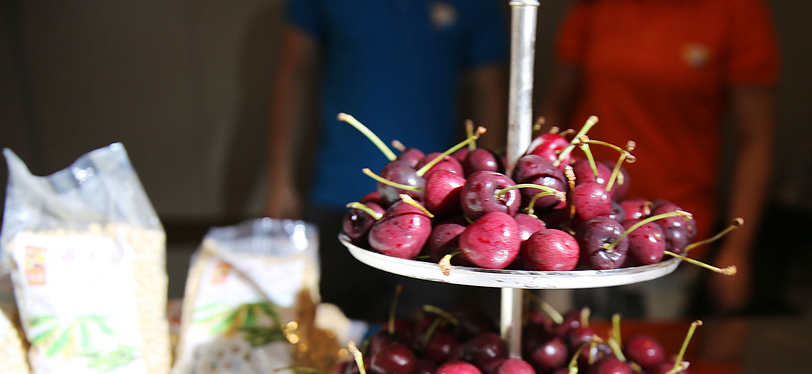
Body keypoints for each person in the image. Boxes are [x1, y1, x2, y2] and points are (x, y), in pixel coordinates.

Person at [264, 0, 509, 321]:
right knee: (334, 334)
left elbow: (489, 90)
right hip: (340, 198)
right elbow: (295, 70)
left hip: (436, 212)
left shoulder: (477, 5)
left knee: (423, 339)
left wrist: (486, 203)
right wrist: (280, 180)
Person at [540, 0, 780, 315]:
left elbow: (756, 140)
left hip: (668, 235)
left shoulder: (737, 11)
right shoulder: (596, 7)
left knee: (640, 355)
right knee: (556, 345)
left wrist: (738, 247)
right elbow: (556, 104)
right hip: (573, 223)